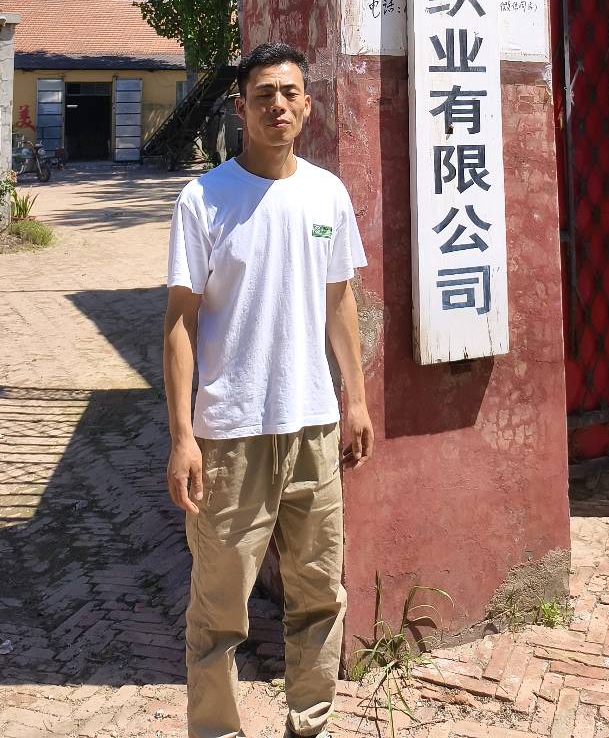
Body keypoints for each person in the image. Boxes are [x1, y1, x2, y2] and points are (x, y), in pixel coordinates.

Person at [164, 42, 374, 738]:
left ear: (306, 105)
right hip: (230, 435)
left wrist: (355, 400)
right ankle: (216, 730)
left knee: (319, 595)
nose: (277, 105)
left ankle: (309, 723)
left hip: (313, 427)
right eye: (263, 95)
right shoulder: (204, 200)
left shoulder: (327, 193)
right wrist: (183, 436)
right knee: (219, 610)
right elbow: (181, 323)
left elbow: (339, 301)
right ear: (241, 107)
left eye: (289, 93)